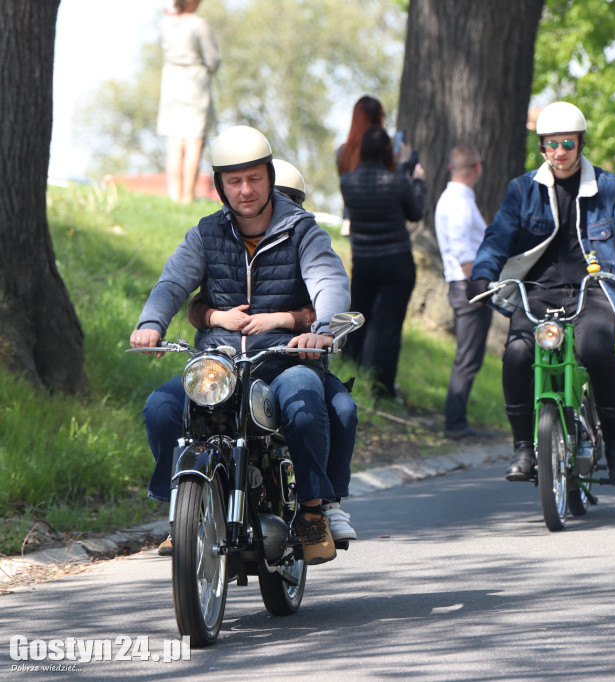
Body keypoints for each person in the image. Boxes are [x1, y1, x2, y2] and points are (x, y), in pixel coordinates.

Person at [131, 125, 353, 565]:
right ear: (220, 186)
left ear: (270, 177)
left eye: (254, 178)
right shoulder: (206, 234)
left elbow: (328, 280)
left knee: (307, 405)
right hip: (221, 363)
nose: (245, 189)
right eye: (234, 180)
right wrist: (151, 322)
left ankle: (312, 510)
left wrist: (322, 327)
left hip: (284, 359)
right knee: (160, 408)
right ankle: (183, 510)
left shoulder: (302, 231)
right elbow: (175, 280)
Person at [469, 101, 615, 486]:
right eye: (550, 145)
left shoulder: (612, 188)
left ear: (581, 143)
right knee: (518, 353)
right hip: (537, 291)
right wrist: (483, 273)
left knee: (599, 349)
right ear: (541, 147)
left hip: (595, 288)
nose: (559, 153)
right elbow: (499, 235)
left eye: (567, 144)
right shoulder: (522, 190)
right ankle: (523, 447)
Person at [340, 126, 426, 399]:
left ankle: (348, 374)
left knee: (356, 319)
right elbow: (415, 213)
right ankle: (382, 388)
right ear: (388, 150)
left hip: (364, 262)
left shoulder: (347, 181)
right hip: (396, 263)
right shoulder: (397, 181)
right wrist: (419, 182)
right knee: (387, 327)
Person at [435, 144, 491, 438]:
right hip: (468, 285)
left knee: (470, 356)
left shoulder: (457, 198)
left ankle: (457, 420)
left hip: (465, 284)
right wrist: (479, 285)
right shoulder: (458, 201)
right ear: (476, 168)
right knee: (468, 357)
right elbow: (461, 249)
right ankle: (455, 423)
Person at [157, 0, 219, 204]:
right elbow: (213, 60)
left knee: (174, 143)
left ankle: (174, 195)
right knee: (194, 142)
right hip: (195, 88)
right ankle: (187, 196)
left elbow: (161, 46)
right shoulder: (198, 24)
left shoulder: (165, 24)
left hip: (171, 88)